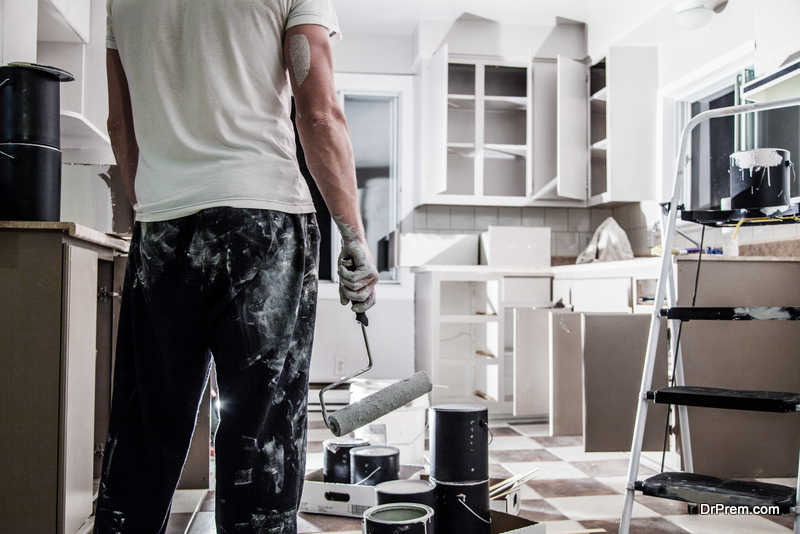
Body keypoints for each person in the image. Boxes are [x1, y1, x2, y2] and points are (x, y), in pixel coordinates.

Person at [96, 1, 379, 532]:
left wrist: (157, 209)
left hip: (162, 228)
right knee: (260, 439)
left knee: (145, 432)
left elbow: (120, 125)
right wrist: (354, 235)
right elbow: (317, 113)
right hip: (263, 225)